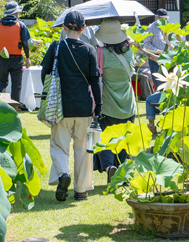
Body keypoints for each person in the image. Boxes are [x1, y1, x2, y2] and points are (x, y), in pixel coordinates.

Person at [40, 10, 102, 201]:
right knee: (82, 149)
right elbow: (95, 80)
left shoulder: (56, 46)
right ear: (84, 29)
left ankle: (63, 174)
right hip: (83, 107)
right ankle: (81, 190)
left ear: (64, 28)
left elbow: (45, 73)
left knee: (59, 146)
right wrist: (98, 105)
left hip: (60, 107)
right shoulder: (89, 50)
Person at [94, 18, 138, 179]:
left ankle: (108, 167)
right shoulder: (129, 53)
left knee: (106, 137)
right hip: (128, 102)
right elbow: (131, 73)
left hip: (108, 103)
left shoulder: (100, 53)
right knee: (125, 139)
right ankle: (123, 173)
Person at [0, 1, 31, 103]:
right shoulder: (20, 25)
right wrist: (28, 58)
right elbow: (25, 43)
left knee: (2, 82)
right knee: (16, 84)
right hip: (17, 59)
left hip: (2, 59)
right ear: (15, 13)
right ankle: (14, 106)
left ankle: (2, 104)